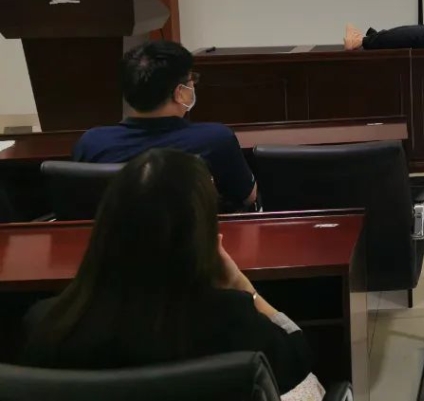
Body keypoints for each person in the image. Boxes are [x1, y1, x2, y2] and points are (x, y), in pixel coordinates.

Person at [21, 149, 319, 399]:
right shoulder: (233, 320)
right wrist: (243, 286)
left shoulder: (46, 324)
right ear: (202, 238)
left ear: (105, 229)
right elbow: (298, 357)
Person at [73, 41, 258, 212]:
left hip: (117, 237)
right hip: (192, 237)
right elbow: (247, 198)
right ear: (180, 93)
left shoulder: (92, 143)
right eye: (191, 80)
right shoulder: (216, 139)